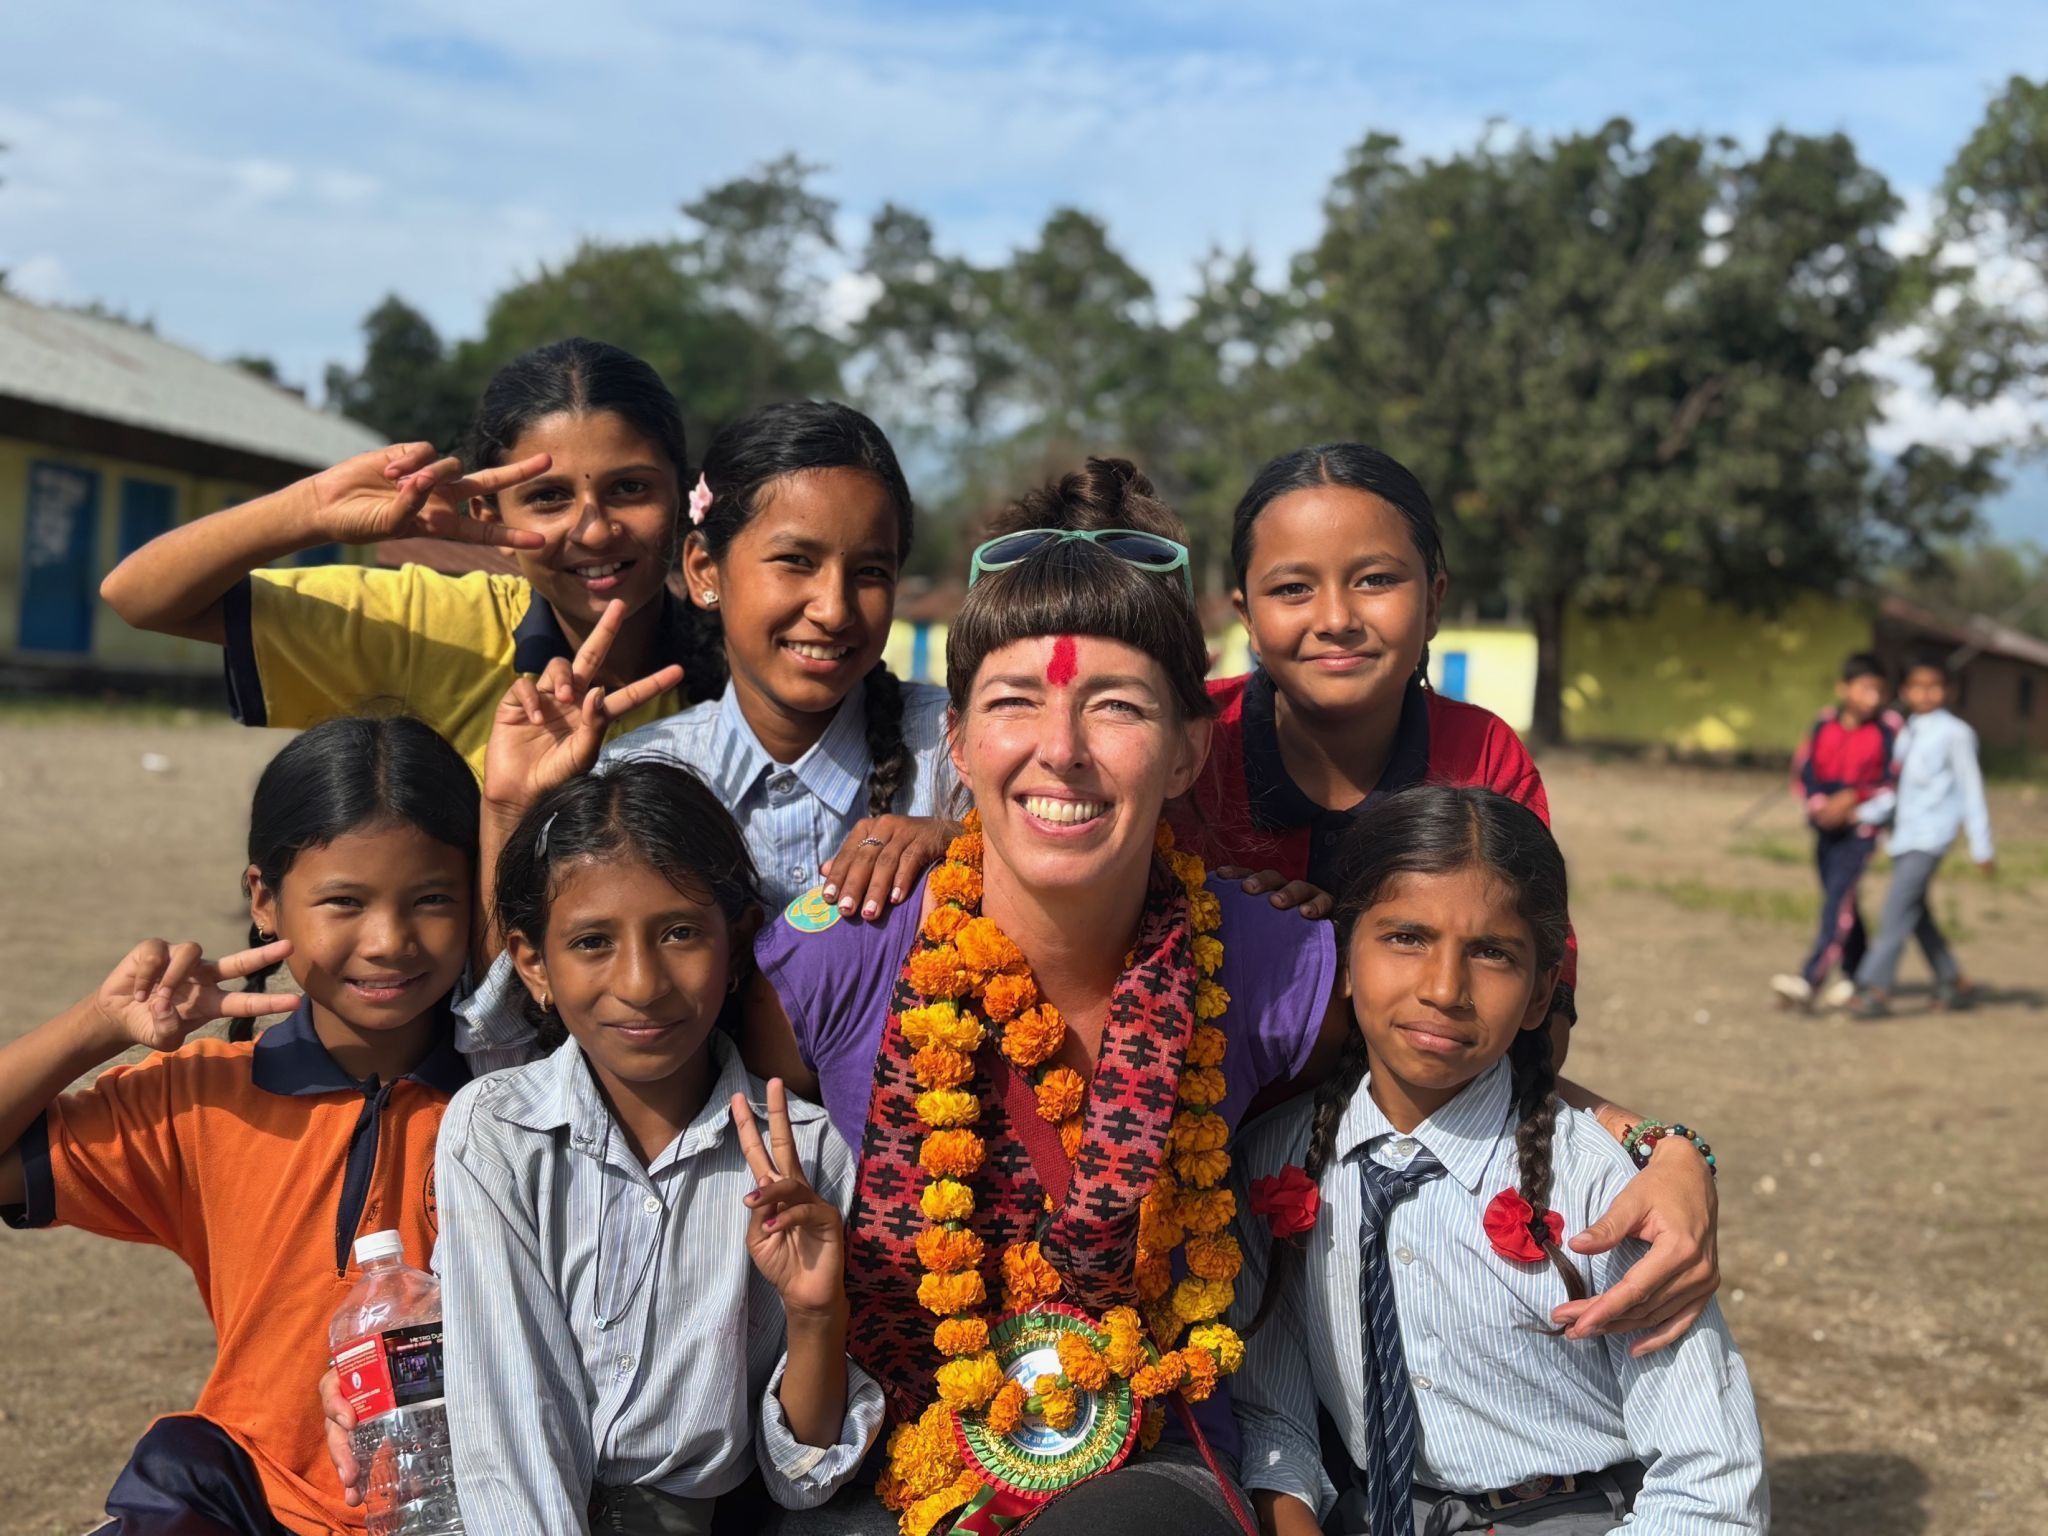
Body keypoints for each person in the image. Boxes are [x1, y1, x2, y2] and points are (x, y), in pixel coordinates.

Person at [459, 459, 1720, 1535]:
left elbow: (1441, 1057)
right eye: (1013, 703)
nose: (1058, 751)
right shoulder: (828, 958)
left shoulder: (1278, 966)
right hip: (886, 1459)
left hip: (1154, 1459)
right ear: (956, 745)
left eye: (1112, 707)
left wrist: (1653, 1145)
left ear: (1184, 751)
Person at [1232, 786, 1765, 1535]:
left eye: (1492, 953)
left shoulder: (1603, 1192)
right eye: (1406, 937)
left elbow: (1710, 1483)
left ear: (1544, 990)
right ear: (1342, 958)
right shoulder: (1274, 1165)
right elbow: (1273, 1418)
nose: (1444, 989)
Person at [0, 715, 479, 1535]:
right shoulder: (201, 1100)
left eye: (432, 899)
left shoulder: (521, 1096)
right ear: (264, 897)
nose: (390, 941)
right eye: (345, 902)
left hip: (463, 1506)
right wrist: (99, 1024)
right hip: (246, 1503)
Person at [430, 759, 882, 1532]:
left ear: (737, 944)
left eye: (679, 932)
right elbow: (509, 1427)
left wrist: (814, 1316)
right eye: (593, 943)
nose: (641, 983)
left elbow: (801, 1479)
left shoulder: (805, 1157)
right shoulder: (497, 1133)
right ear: (533, 962)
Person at [99, 338, 692, 776]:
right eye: (548, 497)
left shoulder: (742, 652)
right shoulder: (429, 627)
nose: (593, 530)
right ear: (488, 513)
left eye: (631, 488)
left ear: (682, 494)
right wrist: (309, 506)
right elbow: (138, 596)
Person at [1170, 445, 1578, 1042]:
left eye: (1376, 580)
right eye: (1291, 588)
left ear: (1435, 601)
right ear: (1248, 618)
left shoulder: (1482, 754)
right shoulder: (1189, 743)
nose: (1336, 617)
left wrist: (1343, 943)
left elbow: (1538, 1006)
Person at [598, 398, 955, 916]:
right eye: (795, 561)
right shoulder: (633, 780)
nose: (834, 610)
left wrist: (964, 845)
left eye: (871, 572)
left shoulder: (963, 757)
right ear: (703, 569)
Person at [1848, 655, 1995, 1018]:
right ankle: (1954, 980)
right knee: (1915, 913)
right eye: (1917, 686)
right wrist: (1863, 813)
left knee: (1895, 908)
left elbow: (1971, 789)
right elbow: (1896, 788)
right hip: (1903, 835)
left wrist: (1982, 844)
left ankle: (1874, 987)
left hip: (1933, 836)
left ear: (1949, 691)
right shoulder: (1905, 731)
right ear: (1904, 691)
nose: (1925, 694)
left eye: (1934, 686)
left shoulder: (1957, 733)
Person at [1771, 652, 1901, 1011]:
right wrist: (1820, 806)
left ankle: (1809, 979)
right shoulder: (1823, 724)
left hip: (1861, 829)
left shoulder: (1889, 728)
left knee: (1837, 902)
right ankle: (1856, 973)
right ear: (1843, 688)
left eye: (1879, 690)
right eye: (1864, 689)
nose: (1871, 698)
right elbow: (1805, 772)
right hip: (1824, 827)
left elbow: (1893, 779)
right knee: (1841, 900)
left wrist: (1853, 800)